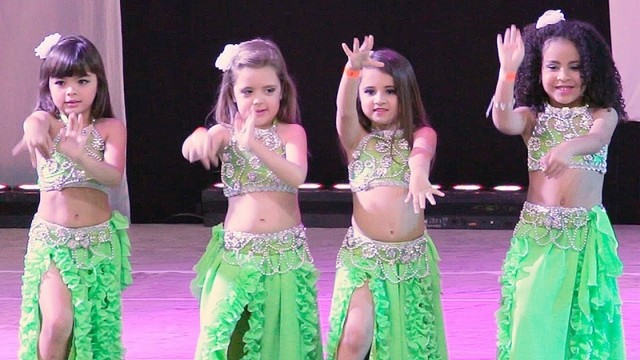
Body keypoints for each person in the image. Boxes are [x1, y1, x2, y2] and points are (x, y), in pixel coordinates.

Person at [491, 10, 627, 359]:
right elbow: (503, 120)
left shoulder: (602, 114)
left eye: (575, 67)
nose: (563, 76)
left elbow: (596, 140)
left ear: (591, 70)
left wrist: (571, 146)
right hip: (537, 238)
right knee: (529, 319)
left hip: (584, 239)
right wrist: (507, 72)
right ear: (537, 70)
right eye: (552, 67)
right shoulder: (532, 117)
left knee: (580, 331)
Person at [182, 38, 323, 359]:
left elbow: (296, 175)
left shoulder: (291, 132)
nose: (258, 100)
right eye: (248, 92)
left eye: (268, 91)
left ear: (282, 90)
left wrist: (255, 145)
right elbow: (199, 144)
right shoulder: (225, 133)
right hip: (237, 255)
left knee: (278, 341)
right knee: (221, 334)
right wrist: (198, 139)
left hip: (284, 255)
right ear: (232, 93)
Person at [325, 35, 448, 360]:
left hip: (410, 261)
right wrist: (351, 72)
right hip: (364, 259)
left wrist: (419, 175)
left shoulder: (420, 134)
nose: (379, 99)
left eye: (390, 91)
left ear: (405, 94)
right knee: (354, 337)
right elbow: (342, 110)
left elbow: (420, 155)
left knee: (408, 347)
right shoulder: (356, 139)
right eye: (370, 91)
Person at [12, 33, 132, 359]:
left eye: (82, 80)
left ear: (98, 83)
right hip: (53, 243)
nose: (71, 91)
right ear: (48, 87)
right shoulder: (48, 123)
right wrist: (34, 126)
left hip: (98, 244)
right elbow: (34, 121)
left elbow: (112, 175)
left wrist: (79, 153)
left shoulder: (110, 127)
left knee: (89, 329)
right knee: (57, 322)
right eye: (60, 82)